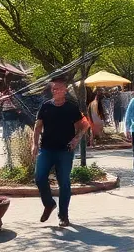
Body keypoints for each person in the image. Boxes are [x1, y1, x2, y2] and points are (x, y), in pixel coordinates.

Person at [32, 77, 87, 228]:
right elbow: (37, 127)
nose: (56, 91)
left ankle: (63, 215)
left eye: (59, 88)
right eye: (53, 89)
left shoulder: (71, 107)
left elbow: (84, 125)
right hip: (47, 149)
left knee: (64, 182)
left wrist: (76, 139)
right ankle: (49, 204)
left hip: (65, 151)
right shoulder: (45, 106)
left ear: (65, 90)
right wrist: (34, 144)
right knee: (39, 177)